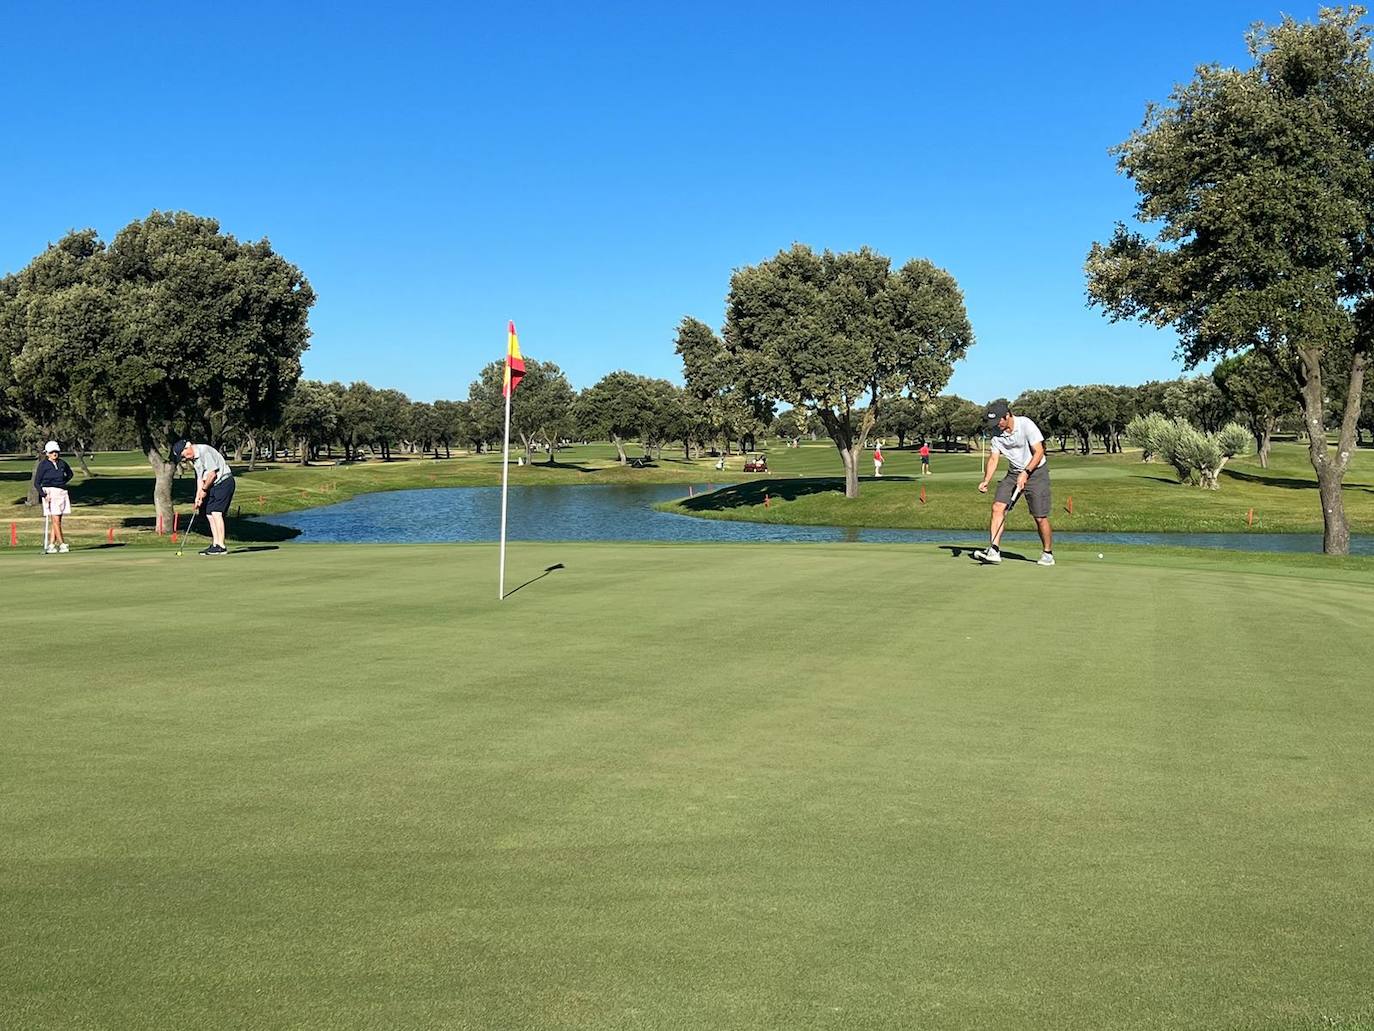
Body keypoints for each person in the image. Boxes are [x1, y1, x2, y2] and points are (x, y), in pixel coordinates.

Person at [974, 399, 1054, 566]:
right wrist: (986, 480)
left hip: (1037, 472)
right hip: (1013, 473)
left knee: (1040, 517)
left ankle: (1047, 553)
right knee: (997, 507)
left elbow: (1039, 452)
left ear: (1007, 415)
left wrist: (1026, 472)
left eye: (999, 421)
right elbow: (994, 458)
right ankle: (994, 550)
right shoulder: (996, 433)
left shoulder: (1026, 424)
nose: (996, 425)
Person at [172, 438, 236, 556]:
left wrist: (204, 490)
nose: (184, 458)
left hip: (224, 482)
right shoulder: (195, 460)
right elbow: (200, 479)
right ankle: (215, 544)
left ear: (188, 447)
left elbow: (212, 474)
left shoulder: (204, 451)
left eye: (183, 455)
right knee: (209, 513)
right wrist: (198, 497)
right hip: (214, 485)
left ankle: (221, 546)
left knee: (216, 512)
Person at [34, 440, 74, 554]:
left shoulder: (62, 463)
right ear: (47, 453)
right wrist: (44, 495)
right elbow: (37, 483)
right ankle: (62, 544)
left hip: (61, 492)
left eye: (56, 451)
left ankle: (51, 545)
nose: (54, 454)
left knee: (57, 521)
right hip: (49, 493)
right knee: (56, 521)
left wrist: (62, 483)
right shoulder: (43, 465)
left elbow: (70, 474)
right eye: (52, 452)